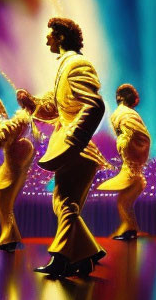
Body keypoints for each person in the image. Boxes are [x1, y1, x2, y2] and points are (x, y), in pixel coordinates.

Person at [16, 17, 106, 278]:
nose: (47, 40)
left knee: (65, 204)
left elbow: (94, 105)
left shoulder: (77, 64)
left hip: (77, 151)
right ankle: (86, 255)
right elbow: (55, 108)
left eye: (50, 36)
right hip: (71, 149)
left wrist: (72, 140)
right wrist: (32, 104)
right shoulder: (67, 66)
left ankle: (64, 259)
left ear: (62, 37)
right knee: (64, 205)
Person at [97, 84, 151, 241]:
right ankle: (130, 228)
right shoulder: (125, 114)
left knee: (123, 200)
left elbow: (141, 137)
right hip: (132, 163)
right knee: (124, 200)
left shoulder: (124, 114)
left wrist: (125, 142)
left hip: (132, 162)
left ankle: (129, 229)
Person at [0, 98, 35, 251]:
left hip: (11, 176)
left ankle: (8, 240)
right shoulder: (20, 137)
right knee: (4, 206)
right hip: (11, 175)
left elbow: (1, 140)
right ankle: (12, 238)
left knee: (3, 206)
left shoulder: (20, 139)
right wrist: (2, 116)